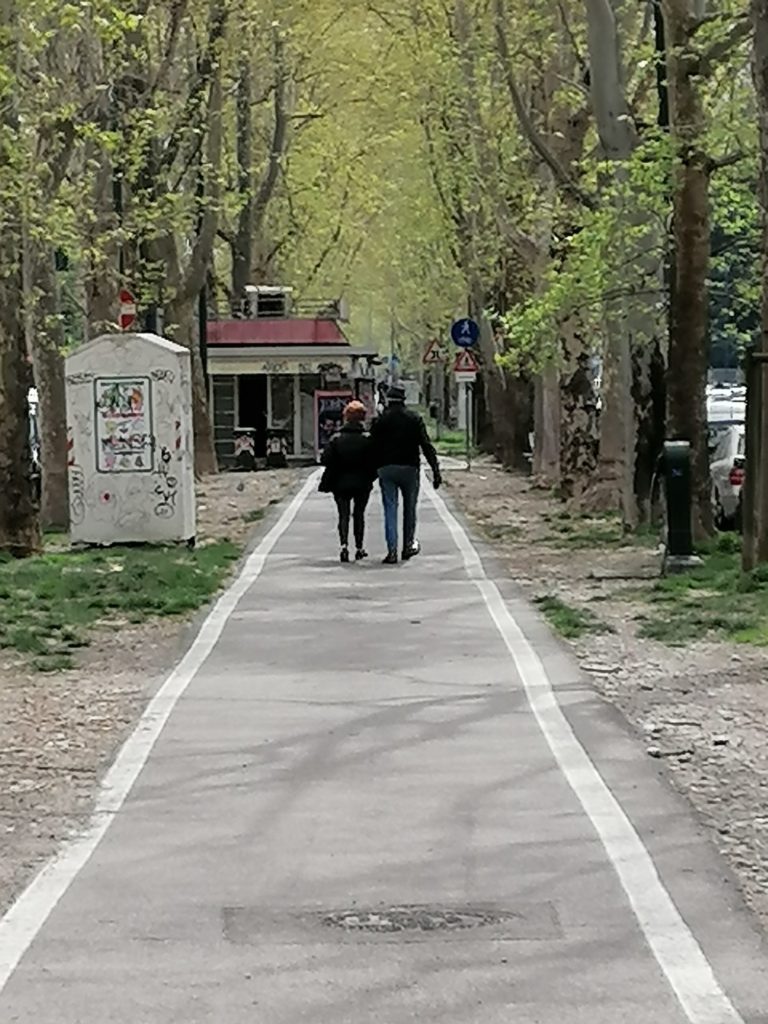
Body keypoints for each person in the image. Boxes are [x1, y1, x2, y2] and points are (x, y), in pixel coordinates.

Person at [370, 383, 442, 564]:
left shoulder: (381, 421)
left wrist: (370, 471)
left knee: (390, 509)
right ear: (404, 400)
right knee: (410, 508)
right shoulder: (414, 418)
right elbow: (426, 445)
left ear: (389, 400)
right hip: (410, 468)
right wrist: (435, 470)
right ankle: (408, 545)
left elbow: (372, 446)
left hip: (386, 468)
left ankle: (392, 551)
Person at [319, 401, 376, 563]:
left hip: (340, 483)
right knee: (359, 514)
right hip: (362, 483)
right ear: (362, 418)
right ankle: (359, 547)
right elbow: (374, 462)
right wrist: (370, 477)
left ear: (346, 417)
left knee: (343, 515)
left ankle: (343, 546)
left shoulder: (336, 439)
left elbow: (325, 460)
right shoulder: (368, 439)